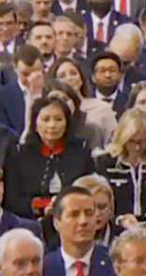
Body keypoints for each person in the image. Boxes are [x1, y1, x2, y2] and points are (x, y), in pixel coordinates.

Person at [4, 95, 93, 227]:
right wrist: (42, 206)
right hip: (29, 221)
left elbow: (89, 190)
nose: (52, 125)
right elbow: (12, 199)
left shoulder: (81, 151)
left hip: (74, 219)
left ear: (67, 123)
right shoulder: (18, 153)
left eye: (58, 119)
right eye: (46, 119)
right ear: (35, 123)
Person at [96, 108, 146, 234]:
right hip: (116, 231)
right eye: (132, 141)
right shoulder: (105, 163)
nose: (137, 147)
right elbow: (100, 203)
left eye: (142, 142)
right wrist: (120, 219)